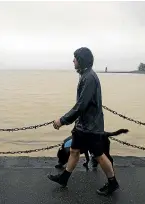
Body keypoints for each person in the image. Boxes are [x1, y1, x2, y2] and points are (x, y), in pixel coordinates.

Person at [47, 47, 119, 196]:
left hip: (91, 126)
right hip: (83, 125)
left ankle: (113, 183)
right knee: (74, 151)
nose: (73, 61)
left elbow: (82, 105)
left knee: (98, 154)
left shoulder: (89, 78)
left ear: (81, 60)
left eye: (75, 58)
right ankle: (64, 178)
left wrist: (62, 120)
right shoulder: (85, 75)